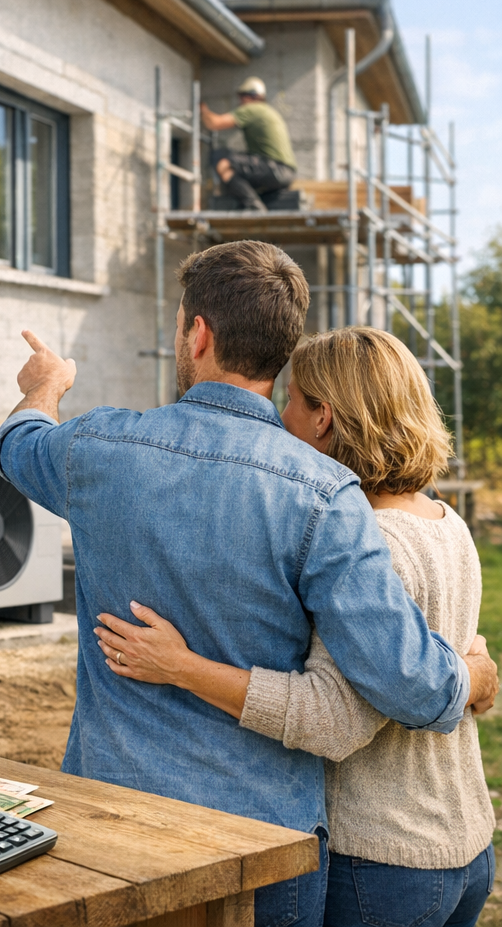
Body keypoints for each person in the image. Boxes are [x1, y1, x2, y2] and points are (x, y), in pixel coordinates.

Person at [0, 239, 498, 927]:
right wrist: (468, 677)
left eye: (178, 324)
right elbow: (407, 680)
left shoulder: (98, 448)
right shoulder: (327, 496)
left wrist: (45, 385)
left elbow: (17, 446)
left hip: (114, 824)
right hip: (265, 844)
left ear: (198, 332)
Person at [94, 326, 497, 927]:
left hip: (382, 861)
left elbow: (332, 720)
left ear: (323, 419)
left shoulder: (369, 541)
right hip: (464, 845)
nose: (279, 415)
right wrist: (475, 677)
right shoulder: (446, 520)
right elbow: (456, 658)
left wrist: (182, 668)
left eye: (291, 398)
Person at [201, 76, 296, 212]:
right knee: (238, 165)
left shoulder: (252, 109)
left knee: (223, 162)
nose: (240, 102)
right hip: (285, 173)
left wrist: (202, 109)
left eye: (242, 97)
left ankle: (253, 206)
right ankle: (252, 203)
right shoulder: (268, 111)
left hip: (274, 169)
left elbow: (213, 123)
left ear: (251, 96)